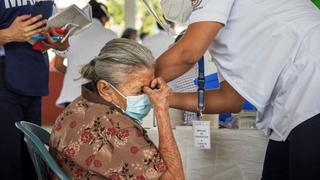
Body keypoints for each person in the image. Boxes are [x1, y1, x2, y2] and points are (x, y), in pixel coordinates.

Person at [155, 0, 320, 179]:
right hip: (292, 101)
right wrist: (163, 98)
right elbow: (230, 99)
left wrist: (135, 79)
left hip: (311, 83)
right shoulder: (220, 29)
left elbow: (187, 53)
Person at [49, 38, 184, 180]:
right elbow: (176, 178)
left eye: (150, 88)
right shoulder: (118, 131)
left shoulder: (81, 103)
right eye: (139, 91)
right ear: (105, 88)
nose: (150, 97)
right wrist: (161, 110)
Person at [0, 0, 69, 179]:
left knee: (32, 154)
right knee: (8, 157)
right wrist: (7, 34)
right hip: (3, 78)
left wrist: (58, 41)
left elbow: (59, 45)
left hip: (34, 77)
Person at [55, 0, 117, 107]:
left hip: (71, 96)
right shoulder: (111, 36)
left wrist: (77, 74)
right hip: (98, 95)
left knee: (73, 124)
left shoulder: (70, 33)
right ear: (103, 18)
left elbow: (58, 65)